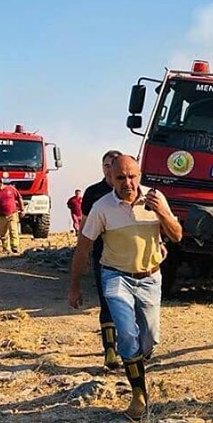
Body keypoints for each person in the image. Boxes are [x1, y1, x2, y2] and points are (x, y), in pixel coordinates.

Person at [68, 155, 182, 420]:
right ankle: (139, 395)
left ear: (140, 175)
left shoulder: (156, 199)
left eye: (132, 176)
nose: (127, 183)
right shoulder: (102, 207)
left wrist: (162, 212)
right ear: (110, 178)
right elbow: (83, 247)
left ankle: (135, 365)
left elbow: (176, 236)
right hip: (115, 276)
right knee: (127, 332)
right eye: (120, 177)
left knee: (150, 338)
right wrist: (74, 286)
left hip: (151, 278)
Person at [80, 150, 123, 370]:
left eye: (113, 164)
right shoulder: (93, 193)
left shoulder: (130, 192)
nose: (109, 168)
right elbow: (85, 225)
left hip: (128, 258)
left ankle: (128, 346)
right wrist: (83, 253)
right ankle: (110, 349)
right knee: (106, 301)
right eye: (106, 165)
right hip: (102, 256)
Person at [0, 177, 25, 255]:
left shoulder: (11, 189)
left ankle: (15, 246)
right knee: (3, 233)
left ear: (1, 182)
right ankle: (6, 248)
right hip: (0, 216)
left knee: (13, 230)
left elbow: (19, 198)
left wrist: (22, 209)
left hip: (12, 214)